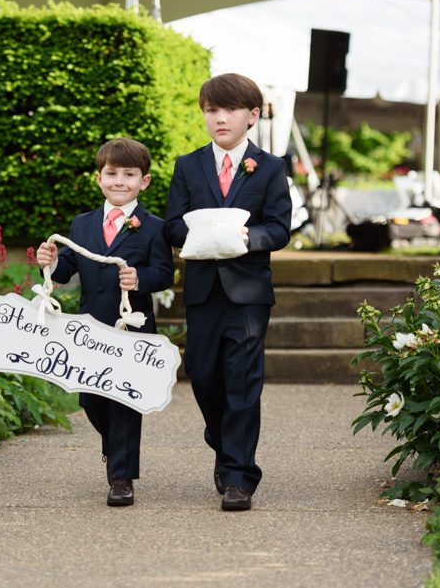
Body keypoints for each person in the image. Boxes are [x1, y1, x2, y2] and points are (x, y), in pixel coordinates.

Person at [164, 73, 291, 511]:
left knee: (242, 382)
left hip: (249, 293)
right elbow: (173, 223)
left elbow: (279, 228)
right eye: (211, 110)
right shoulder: (188, 165)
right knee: (202, 375)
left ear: (252, 116)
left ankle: (239, 474)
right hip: (202, 290)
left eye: (230, 110)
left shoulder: (271, 167)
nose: (220, 118)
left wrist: (242, 237)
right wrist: (201, 231)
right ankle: (220, 437)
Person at [36, 137, 174, 507]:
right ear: (99, 178)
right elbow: (66, 269)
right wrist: (48, 260)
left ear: (143, 181)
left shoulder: (153, 226)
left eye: (129, 175)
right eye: (112, 173)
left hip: (131, 329)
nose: (119, 181)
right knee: (91, 400)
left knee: (125, 401)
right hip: (90, 330)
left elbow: (164, 273)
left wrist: (139, 278)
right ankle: (115, 451)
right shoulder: (81, 225)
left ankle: (121, 476)